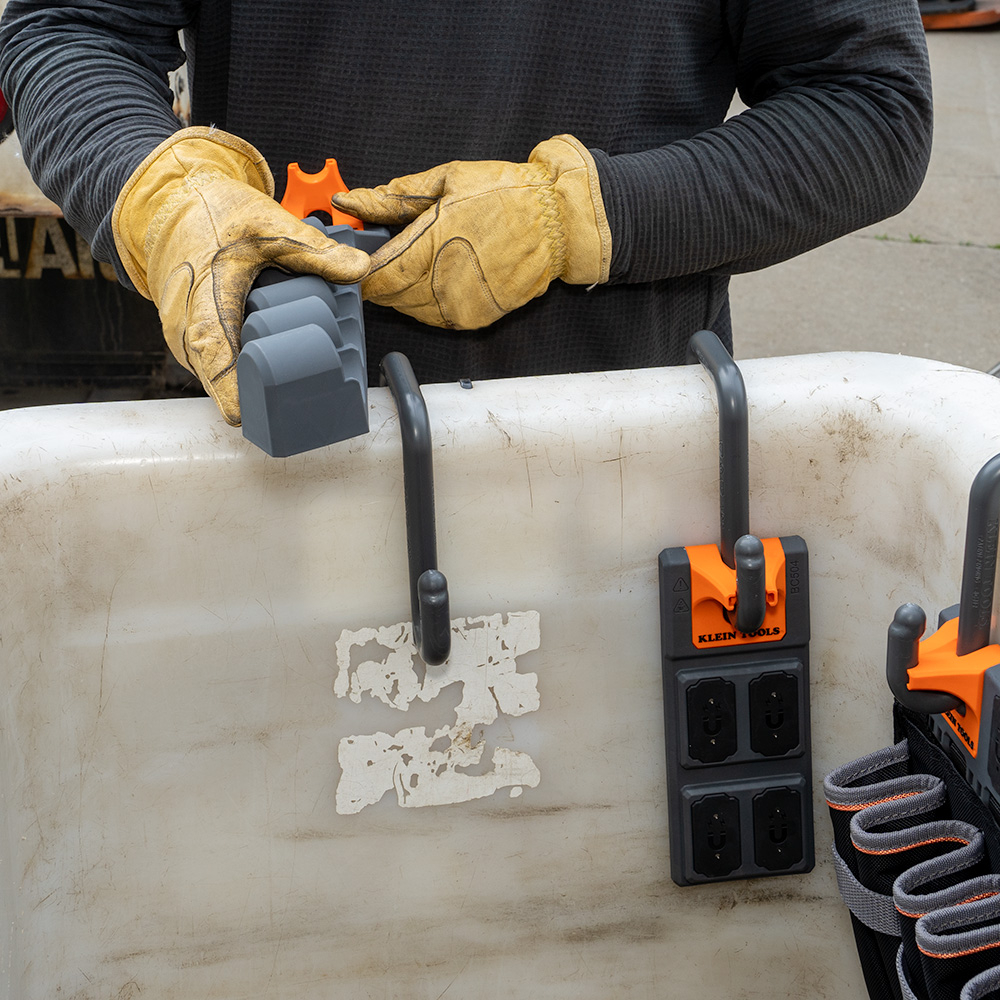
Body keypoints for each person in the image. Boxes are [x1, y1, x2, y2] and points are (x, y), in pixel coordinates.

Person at [0, 1, 932, 426]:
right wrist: (162, 194)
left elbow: (869, 104)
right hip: (276, 441)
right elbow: (73, 24)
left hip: (610, 452)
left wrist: (580, 217)